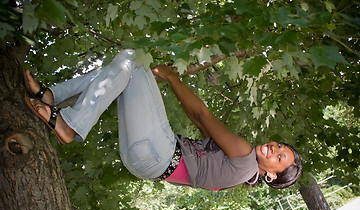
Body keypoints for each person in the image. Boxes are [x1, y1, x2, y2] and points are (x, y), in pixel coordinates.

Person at [25, 49, 302, 190]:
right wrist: (172, 81)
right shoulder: (238, 174)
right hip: (144, 162)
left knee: (134, 58)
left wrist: (172, 77)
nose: (273, 148)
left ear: (271, 174)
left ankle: (70, 124)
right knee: (121, 72)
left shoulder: (244, 157)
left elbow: (201, 114)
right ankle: (52, 94)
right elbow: (201, 124)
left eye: (279, 158)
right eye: (279, 146)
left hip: (161, 153)